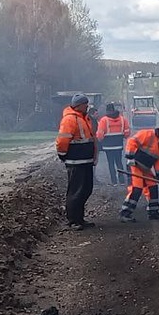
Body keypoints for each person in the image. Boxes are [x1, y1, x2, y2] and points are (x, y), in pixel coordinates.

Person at [119, 119, 159, 222]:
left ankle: (153, 212)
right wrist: (130, 157)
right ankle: (125, 213)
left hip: (145, 168)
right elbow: (131, 141)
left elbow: (158, 160)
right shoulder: (148, 134)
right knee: (136, 189)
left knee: (153, 187)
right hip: (135, 165)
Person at [56, 93, 97, 230]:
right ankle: (73, 221)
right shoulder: (70, 120)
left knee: (86, 189)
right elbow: (62, 140)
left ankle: (79, 218)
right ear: (79, 105)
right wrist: (63, 155)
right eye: (86, 104)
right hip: (75, 162)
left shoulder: (85, 118)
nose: (88, 106)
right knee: (75, 192)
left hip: (85, 161)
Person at [96, 102, 131, 186]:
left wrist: (100, 141)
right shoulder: (123, 119)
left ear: (107, 111)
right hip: (119, 145)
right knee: (119, 162)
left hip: (108, 146)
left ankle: (114, 181)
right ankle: (122, 181)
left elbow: (100, 134)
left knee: (111, 163)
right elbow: (127, 133)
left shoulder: (104, 120)